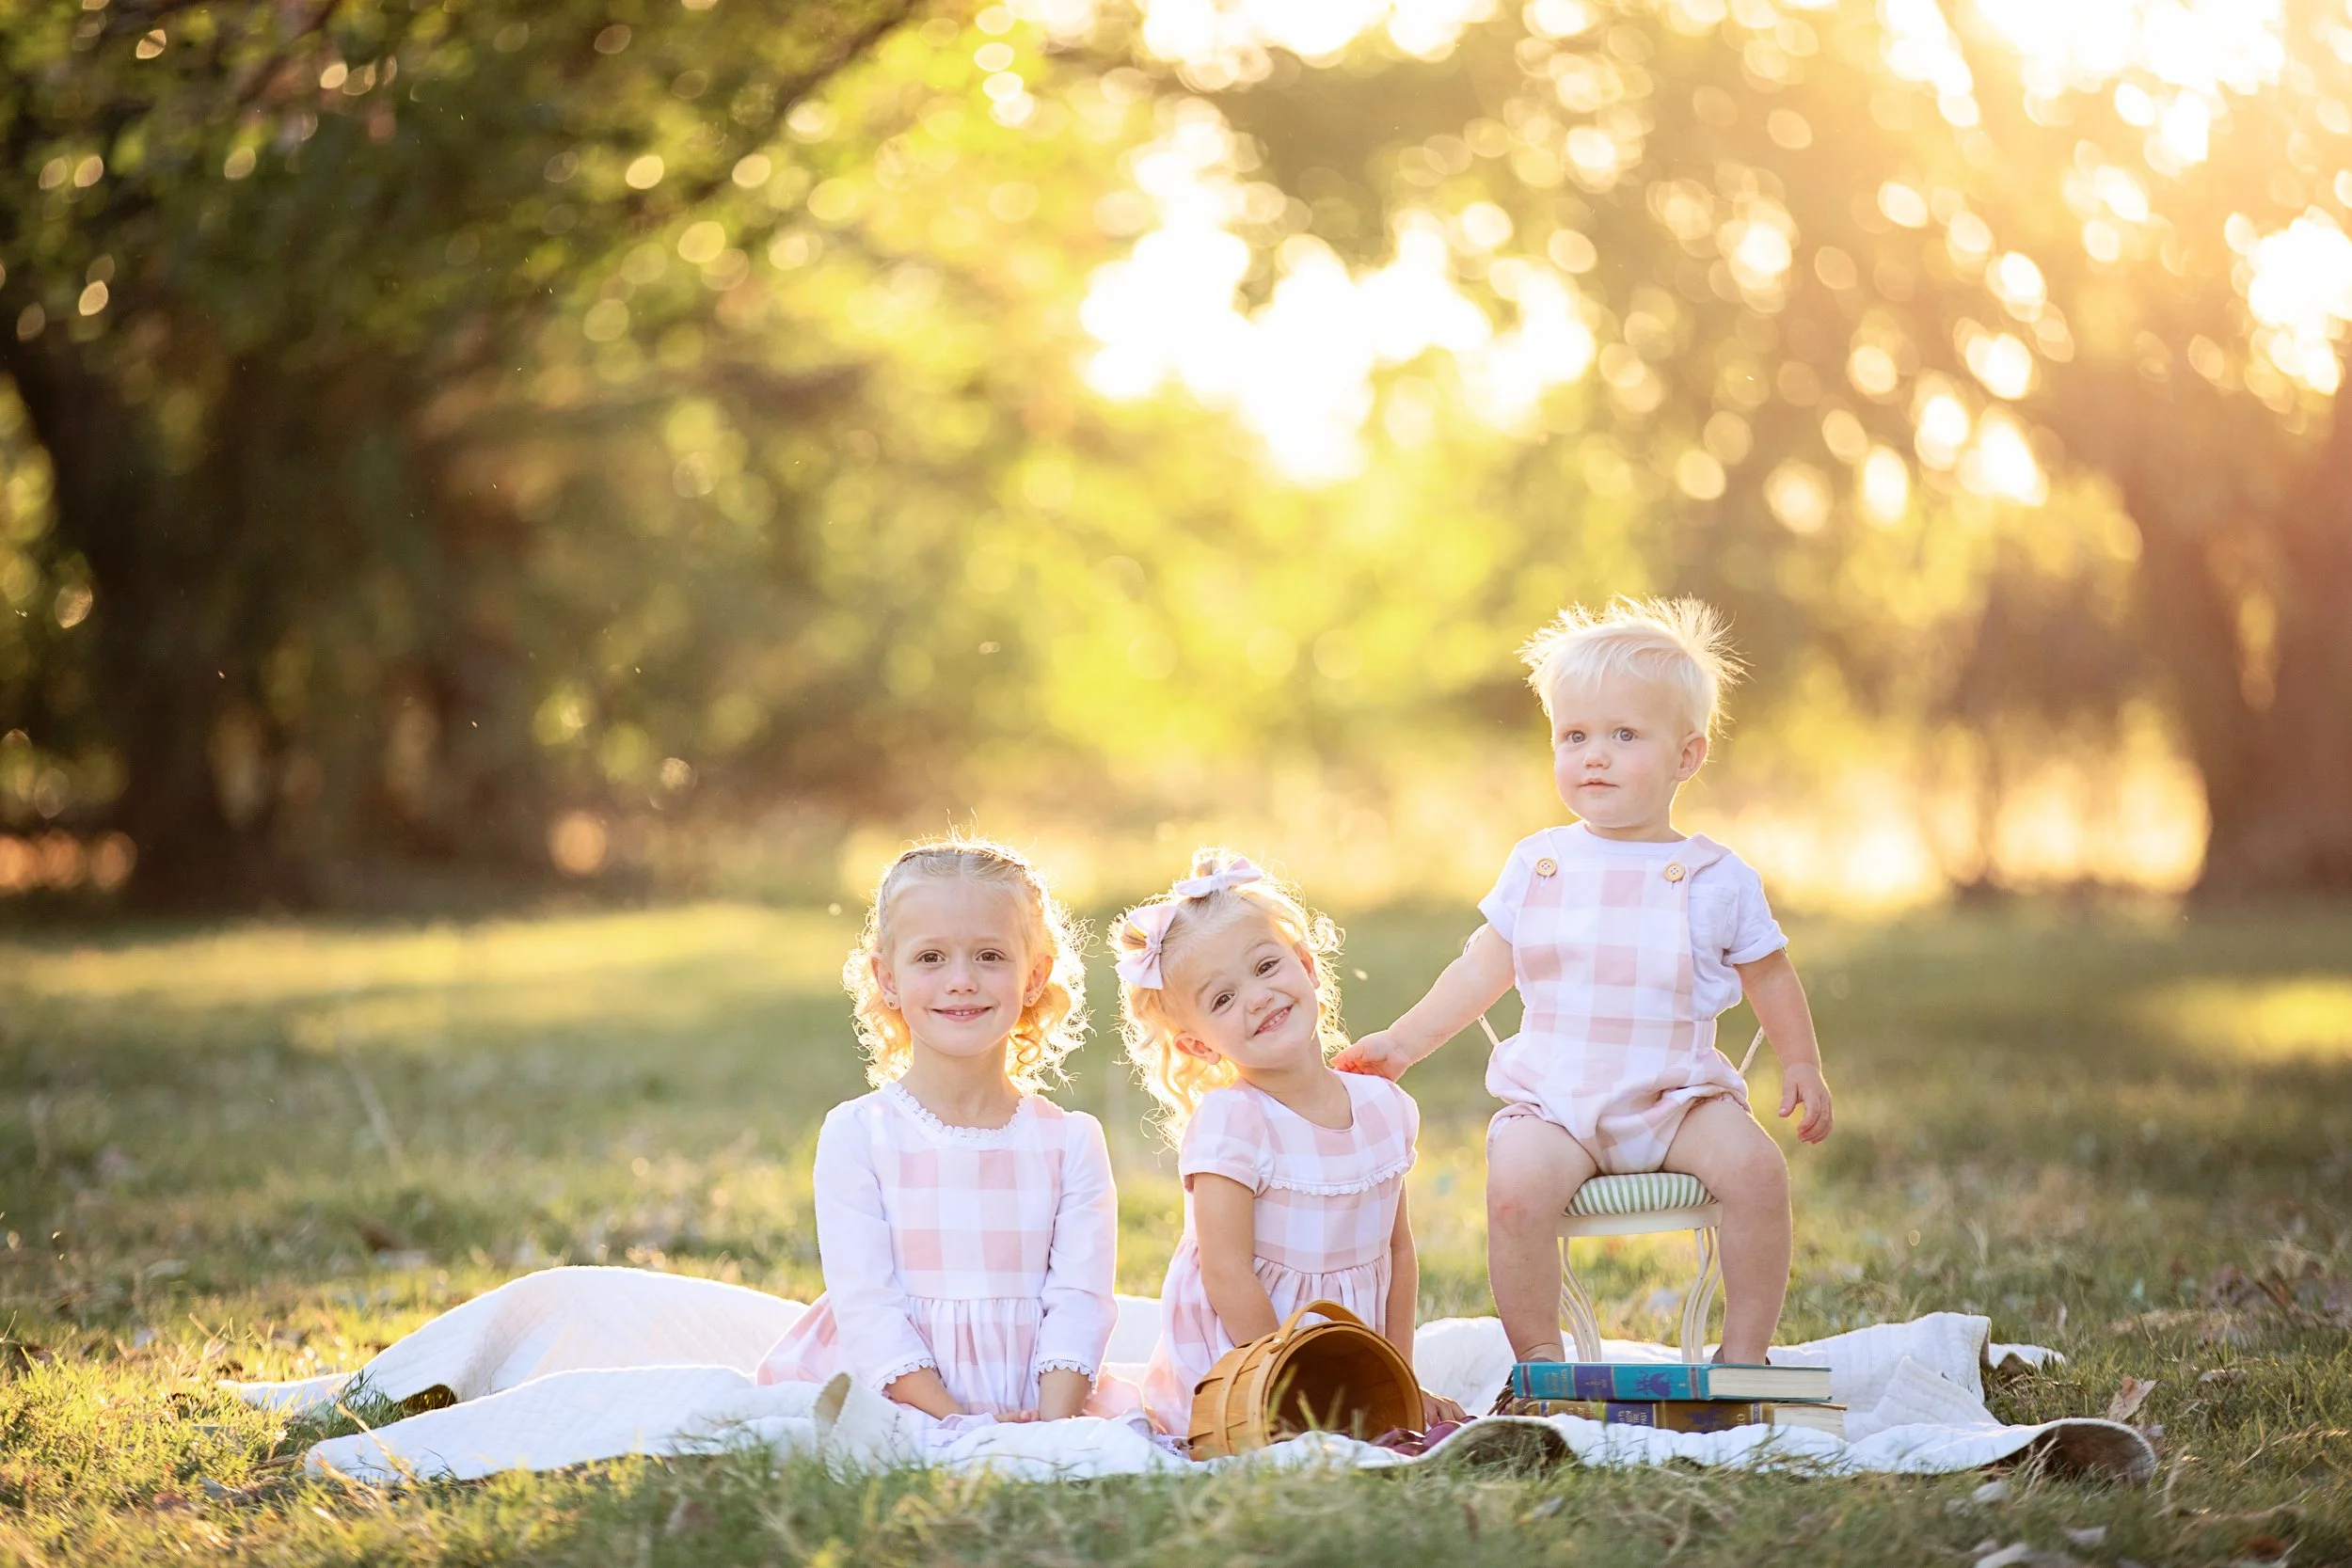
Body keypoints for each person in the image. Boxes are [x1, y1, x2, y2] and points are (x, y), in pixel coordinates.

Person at [1336, 599, 1834, 1368]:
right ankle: (1542, 1360)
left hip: (1678, 1097)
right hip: (1556, 1101)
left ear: (1687, 756)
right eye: (1575, 736)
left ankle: (1742, 1355)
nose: (1594, 755)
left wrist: (1801, 1061)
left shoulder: (1716, 877)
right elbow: (1481, 967)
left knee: (1759, 1173)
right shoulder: (1541, 864)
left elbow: (1769, 970)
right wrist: (1403, 1042)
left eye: (1624, 735)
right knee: (1514, 1188)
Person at [756, 836, 1130, 1426]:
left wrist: (1052, 1428)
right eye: (931, 958)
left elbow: (1079, 1304)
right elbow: (867, 1306)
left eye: (989, 956)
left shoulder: (1070, 1143)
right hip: (899, 1395)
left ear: (1034, 977)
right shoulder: (859, 1135)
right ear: (888, 978)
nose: (961, 980)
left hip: (1041, 1400)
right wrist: (957, 1424)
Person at [1113, 850, 1460, 1439]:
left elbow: (1396, 1254)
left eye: (1267, 966)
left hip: (1353, 1361)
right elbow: (1226, 1274)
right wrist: (1290, 1390)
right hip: (1249, 1365)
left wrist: (1396, 1379)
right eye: (1222, 999)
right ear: (1199, 1045)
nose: (1256, 997)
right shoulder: (1234, 1121)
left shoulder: (1382, 1107)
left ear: (1307, 965)